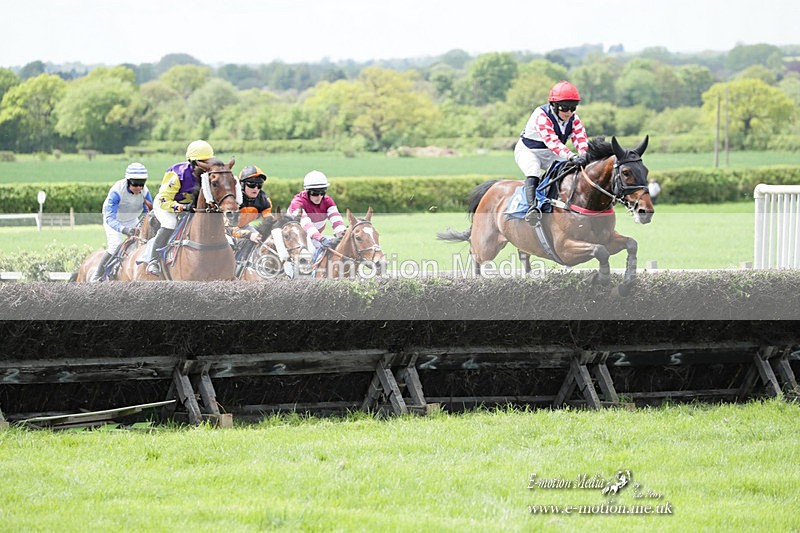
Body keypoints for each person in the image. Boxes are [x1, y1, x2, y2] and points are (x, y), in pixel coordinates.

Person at [514, 80, 589, 222]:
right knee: (533, 170)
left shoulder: (573, 118)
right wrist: (571, 156)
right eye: (565, 107)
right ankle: (532, 208)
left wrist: (584, 154)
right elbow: (551, 141)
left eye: (573, 108)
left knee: (570, 171)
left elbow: (580, 138)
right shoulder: (541, 115)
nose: (569, 112)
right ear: (554, 105)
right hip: (529, 151)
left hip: (551, 154)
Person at [144, 140, 215, 275]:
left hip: (190, 207)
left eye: (209, 162)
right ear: (194, 163)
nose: (208, 166)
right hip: (166, 205)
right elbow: (165, 200)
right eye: (203, 163)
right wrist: (183, 208)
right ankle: (153, 260)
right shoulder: (178, 174)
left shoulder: (208, 176)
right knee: (171, 223)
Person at [91, 162, 152, 282]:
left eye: (142, 184)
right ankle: (97, 275)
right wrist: (124, 229)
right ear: (128, 181)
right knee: (115, 244)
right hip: (114, 220)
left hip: (132, 220)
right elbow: (110, 218)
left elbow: (148, 212)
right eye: (135, 184)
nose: (139, 188)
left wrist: (140, 225)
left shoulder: (145, 192)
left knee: (144, 242)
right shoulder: (117, 191)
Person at [287, 170, 346, 255]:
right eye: (315, 193)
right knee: (311, 253)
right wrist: (321, 239)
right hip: (294, 240)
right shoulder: (297, 203)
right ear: (306, 191)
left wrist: (342, 232)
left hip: (314, 238)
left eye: (322, 192)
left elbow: (336, 219)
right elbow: (306, 224)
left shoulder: (327, 200)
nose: (319, 196)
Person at [230, 165, 273, 275]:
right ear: (242, 185)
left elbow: (269, 220)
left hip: (244, 226)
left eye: (259, 185)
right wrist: (248, 235)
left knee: (262, 240)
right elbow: (228, 229)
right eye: (252, 184)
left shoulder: (264, 200)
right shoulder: (233, 199)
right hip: (223, 228)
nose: (256, 189)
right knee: (230, 243)